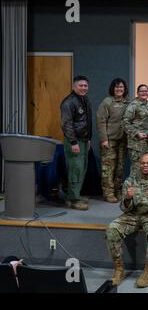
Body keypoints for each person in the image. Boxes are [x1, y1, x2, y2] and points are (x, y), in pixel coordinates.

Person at [105, 154, 148, 288]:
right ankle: (119, 269)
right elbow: (123, 207)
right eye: (142, 163)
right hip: (132, 215)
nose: (145, 165)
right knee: (112, 229)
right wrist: (128, 198)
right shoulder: (130, 180)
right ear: (139, 164)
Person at [60, 75, 92, 211]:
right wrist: (73, 142)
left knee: (82, 169)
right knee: (75, 170)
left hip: (84, 140)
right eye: (81, 85)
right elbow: (66, 124)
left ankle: (74, 195)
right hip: (74, 141)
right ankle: (73, 200)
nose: (84, 88)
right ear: (74, 86)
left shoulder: (84, 100)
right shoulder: (68, 102)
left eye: (85, 85)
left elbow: (86, 122)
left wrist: (88, 138)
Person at [96, 78, 131, 203]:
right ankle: (108, 192)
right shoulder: (107, 102)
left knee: (120, 167)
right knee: (108, 168)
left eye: (121, 87)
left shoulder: (128, 102)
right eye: (117, 87)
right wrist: (104, 139)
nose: (119, 89)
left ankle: (117, 190)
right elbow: (100, 121)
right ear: (113, 88)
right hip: (110, 140)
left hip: (123, 140)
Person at [122, 84, 148, 176]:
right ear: (137, 93)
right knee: (136, 167)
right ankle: (133, 189)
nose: (144, 93)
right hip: (136, 143)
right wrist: (136, 133)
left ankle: (143, 189)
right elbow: (125, 122)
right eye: (142, 91)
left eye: (146, 91)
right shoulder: (133, 105)